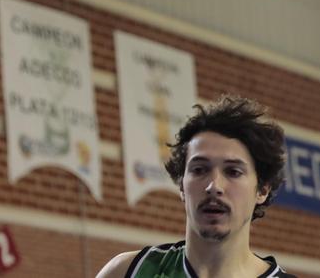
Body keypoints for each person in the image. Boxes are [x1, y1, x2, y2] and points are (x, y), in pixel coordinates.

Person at [97, 96, 295, 278]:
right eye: (200, 170)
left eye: (233, 172)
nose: (214, 186)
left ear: (262, 190)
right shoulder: (127, 272)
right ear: (182, 185)